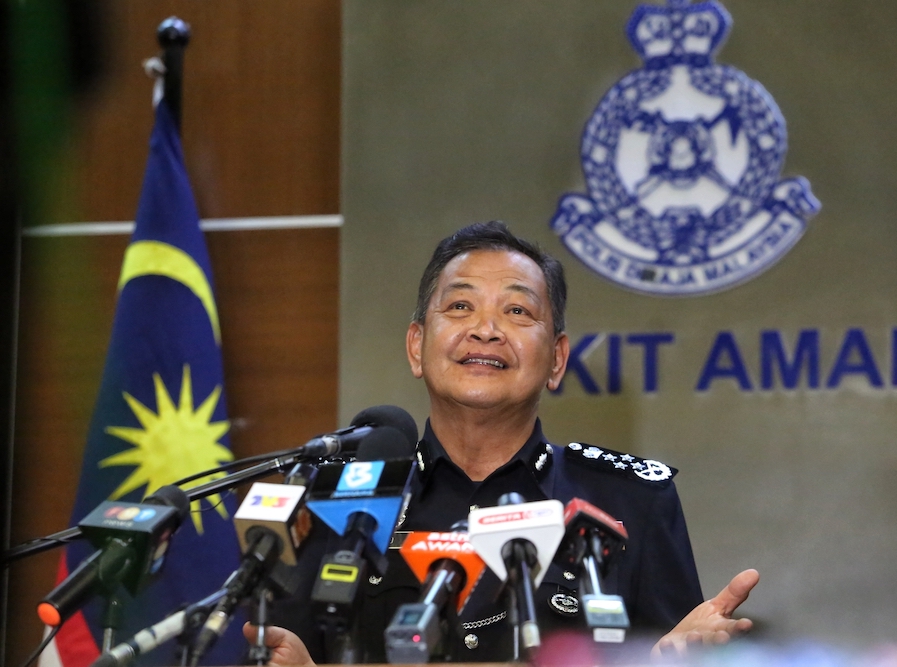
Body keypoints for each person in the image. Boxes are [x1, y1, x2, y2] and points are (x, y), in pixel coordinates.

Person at [246, 221, 758, 663]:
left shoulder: (632, 501)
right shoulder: (344, 500)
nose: (486, 330)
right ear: (417, 346)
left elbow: (671, 651)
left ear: (556, 359)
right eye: (461, 305)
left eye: (517, 311)